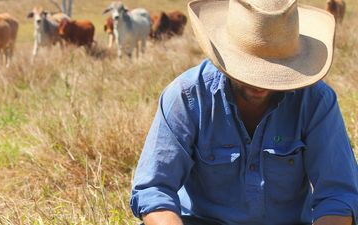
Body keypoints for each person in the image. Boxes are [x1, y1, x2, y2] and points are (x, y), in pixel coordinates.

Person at [130, 0, 358, 224]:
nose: (259, 84)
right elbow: (154, 188)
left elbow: (339, 195)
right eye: (249, 70)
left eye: (273, 72)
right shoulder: (188, 95)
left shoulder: (316, 101)